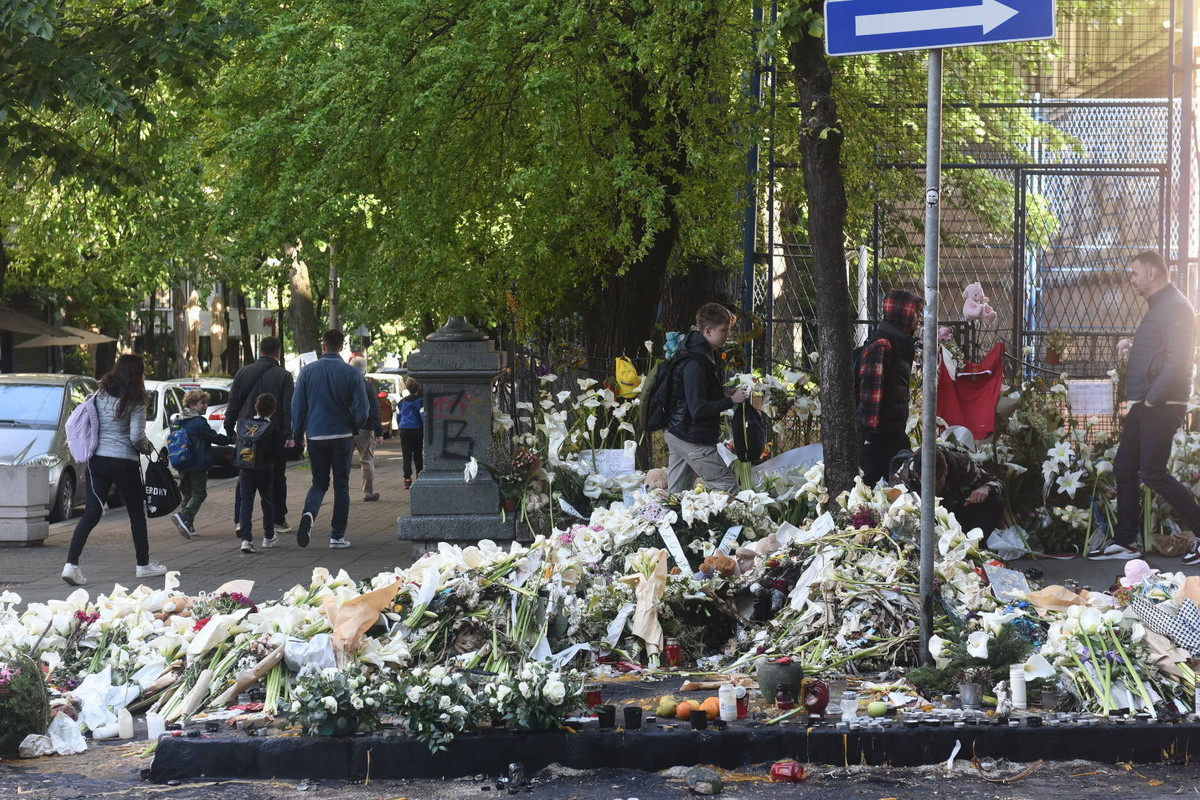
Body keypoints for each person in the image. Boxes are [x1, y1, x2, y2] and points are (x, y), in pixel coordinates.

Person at [1090, 250, 1200, 562]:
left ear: (1152, 273)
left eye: (1135, 273)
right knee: (1125, 467)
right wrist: (1134, 350)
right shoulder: (1162, 305)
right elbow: (1162, 353)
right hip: (1148, 401)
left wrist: (1153, 397)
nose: (1132, 278)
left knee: (1152, 472)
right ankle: (1124, 542)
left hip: (1161, 402)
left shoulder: (1176, 305)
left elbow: (1179, 360)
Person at [62, 354, 167, 586]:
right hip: (124, 463)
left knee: (91, 513)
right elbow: (136, 437)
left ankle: (71, 565)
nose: (146, 372)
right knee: (136, 515)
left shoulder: (100, 393)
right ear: (137, 372)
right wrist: (147, 448)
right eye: (144, 369)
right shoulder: (136, 399)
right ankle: (143, 564)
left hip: (98, 461)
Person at [292, 330, 369, 549]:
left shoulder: (307, 372)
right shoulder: (352, 373)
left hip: (316, 435)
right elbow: (363, 408)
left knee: (319, 482)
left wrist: (298, 435)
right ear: (341, 346)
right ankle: (337, 536)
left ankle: (309, 513)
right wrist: (355, 426)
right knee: (341, 485)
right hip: (342, 435)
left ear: (323, 346)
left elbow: (297, 408)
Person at [664, 302, 749, 494]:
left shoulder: (700, 354)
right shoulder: (695, 362)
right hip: (690, 436)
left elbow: (697, 396)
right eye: (724, 330)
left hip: (677, 431)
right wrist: (731, 400)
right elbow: (697, 409)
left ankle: (671, 522)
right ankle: (735, 524)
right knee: (728, 488)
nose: (728, 336)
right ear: (709, 331)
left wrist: (727, 394)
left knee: (677, 494)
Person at [225, 336, 295, 534]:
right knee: (276, 477)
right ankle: (277, 519)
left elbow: (233, 404)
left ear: (260, 351)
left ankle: (240, 520)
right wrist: (288, 433)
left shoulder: (243, 373)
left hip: (247, 435)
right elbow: (288, 408)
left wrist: (229, 428)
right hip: (273, 434)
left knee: (244, 475)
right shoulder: (284, 376)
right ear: (278, 353)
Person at [857, 288, 924, 486]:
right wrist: (870, 438)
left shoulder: (902, 342)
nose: (919, 318)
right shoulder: (883, 345)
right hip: (877, 442)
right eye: (915, 312)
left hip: (893, 434)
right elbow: (871, 394)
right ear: (901, 312)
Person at [895, 444, 1004, 536]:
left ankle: (973, 547)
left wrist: (986, 489)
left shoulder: (961, 464)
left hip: (955, 513)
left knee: (994, 502)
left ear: (946, 470)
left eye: (938, 485)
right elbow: (891, 507)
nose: (934, 492)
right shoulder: (905, 476)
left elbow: (997, 483)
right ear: (918, 477)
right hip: (923, 521)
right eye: (928, 488)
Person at [169, 389, 231, 539]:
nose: (205, 406)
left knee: (187, 493)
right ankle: (184, 516)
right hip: (198, 463)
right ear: (192, 405)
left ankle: (187, 525)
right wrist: (229, 440)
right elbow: (212, 437)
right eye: (202, 403)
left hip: (182, 462)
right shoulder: (198, 422)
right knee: (199, 493)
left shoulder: (179, 419)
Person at [234, 393, 286, 553]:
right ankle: (268, 535)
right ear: (273, 411)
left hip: (245, 469)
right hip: (264, 470)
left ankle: (246, 539)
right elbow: (279, 452)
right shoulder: (271, 428)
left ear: (256, 407)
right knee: (267, 501)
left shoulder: (244, 425)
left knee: (246, 503)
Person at [349, 357, 383, 502]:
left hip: (347, 427)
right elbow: (375, 409)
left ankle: (342, 492)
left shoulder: (346, 385)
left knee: (344, 460)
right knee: (367, 460)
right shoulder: (368, 387)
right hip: (366, 427)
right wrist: (379, 431)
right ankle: (368, 493)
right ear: (365, 369)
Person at [398, 377, 424, 489]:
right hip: (417, 430)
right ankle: (419, 474)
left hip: (404, 430)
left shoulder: (401, 402)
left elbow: (398, 416)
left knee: (406, 455)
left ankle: (407, 479)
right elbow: (423, 416)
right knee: (418, 454)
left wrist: (401, 425)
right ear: (419, 388)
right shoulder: (420, 401)